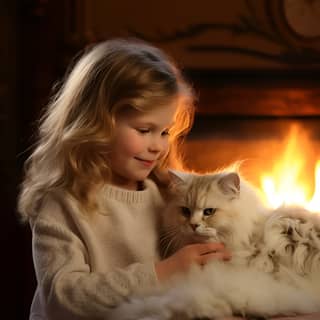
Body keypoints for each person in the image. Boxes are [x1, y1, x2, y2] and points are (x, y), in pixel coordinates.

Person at [18, 38, 319, 320]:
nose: (158, 146)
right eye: (144, 130)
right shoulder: (60, 204)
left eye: (164, 132)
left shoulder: (165, 194)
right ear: (96, 124)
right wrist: (163, 272)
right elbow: (61, 298)